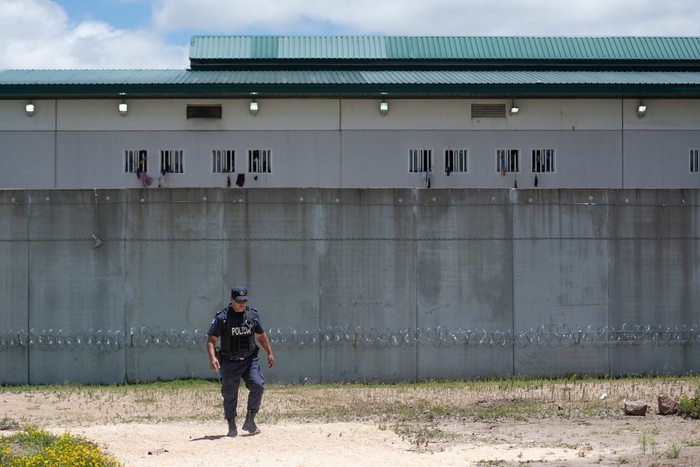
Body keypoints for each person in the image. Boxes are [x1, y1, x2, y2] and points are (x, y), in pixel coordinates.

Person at [207, 286, 275, 437]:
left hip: (250, 360)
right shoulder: (222, 318)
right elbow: (211, 339)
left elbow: (261, 336)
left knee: (258, 385)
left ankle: (250, 420)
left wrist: (269, 353)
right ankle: (232, 425)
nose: (242, 303)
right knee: (230, 394)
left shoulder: (252, 315)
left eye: (244, 300)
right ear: (232, 300)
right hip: (229, 362)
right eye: (238, 301)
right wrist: (212, 358)